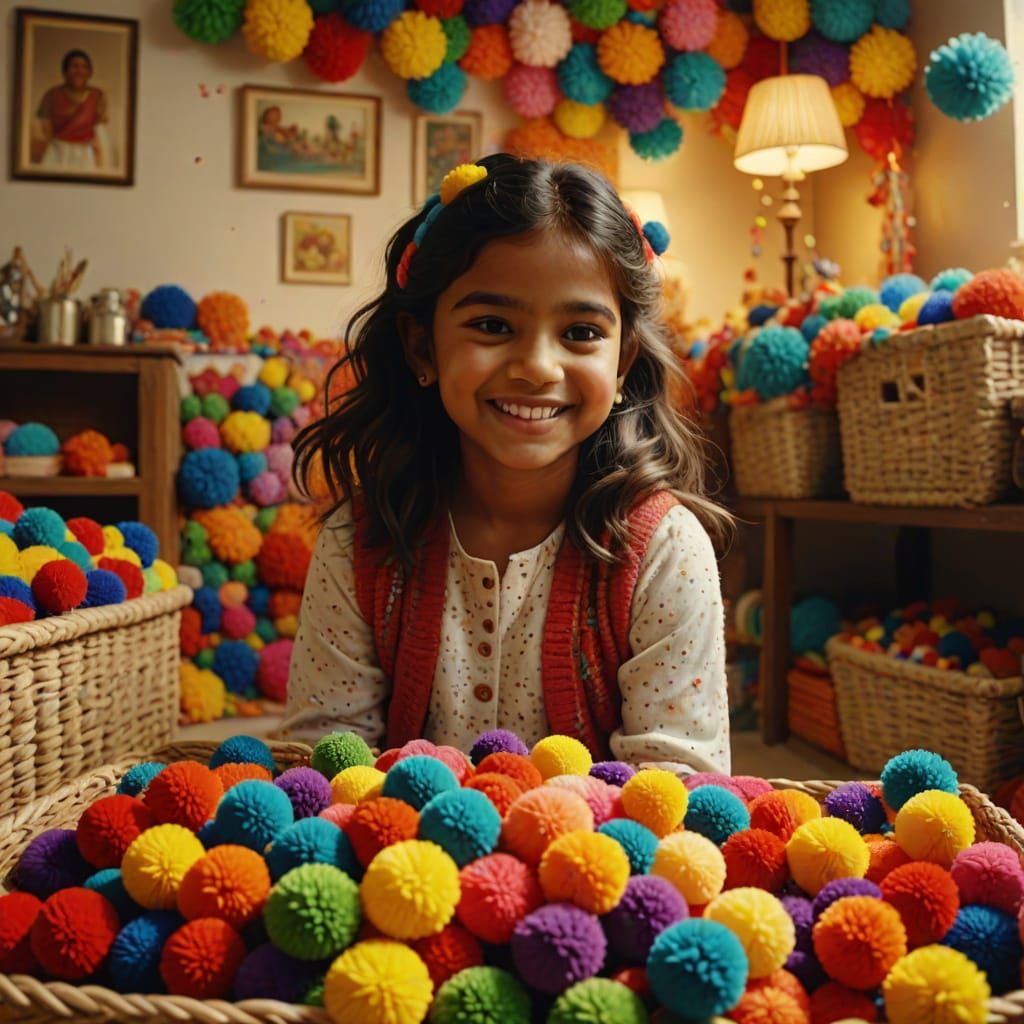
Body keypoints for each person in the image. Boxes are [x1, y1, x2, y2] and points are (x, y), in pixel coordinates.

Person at [282, 154, 732, 773]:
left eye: (581, 332)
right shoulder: (360, 540)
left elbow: (675, 794)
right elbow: (322, 766)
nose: (538, 367)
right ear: (422, 345)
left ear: (624, 360)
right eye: (493, 325)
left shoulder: (666, 550)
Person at [33, 49, 108, 171]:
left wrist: (99, 156)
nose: (79, 71)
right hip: (58, 151)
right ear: (65, 70)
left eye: (84, 67)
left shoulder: (97, 95)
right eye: (74, 66)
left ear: (89, 72)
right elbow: (44, 125)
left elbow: (100, 129)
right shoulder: (52, 94)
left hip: (86, 153)